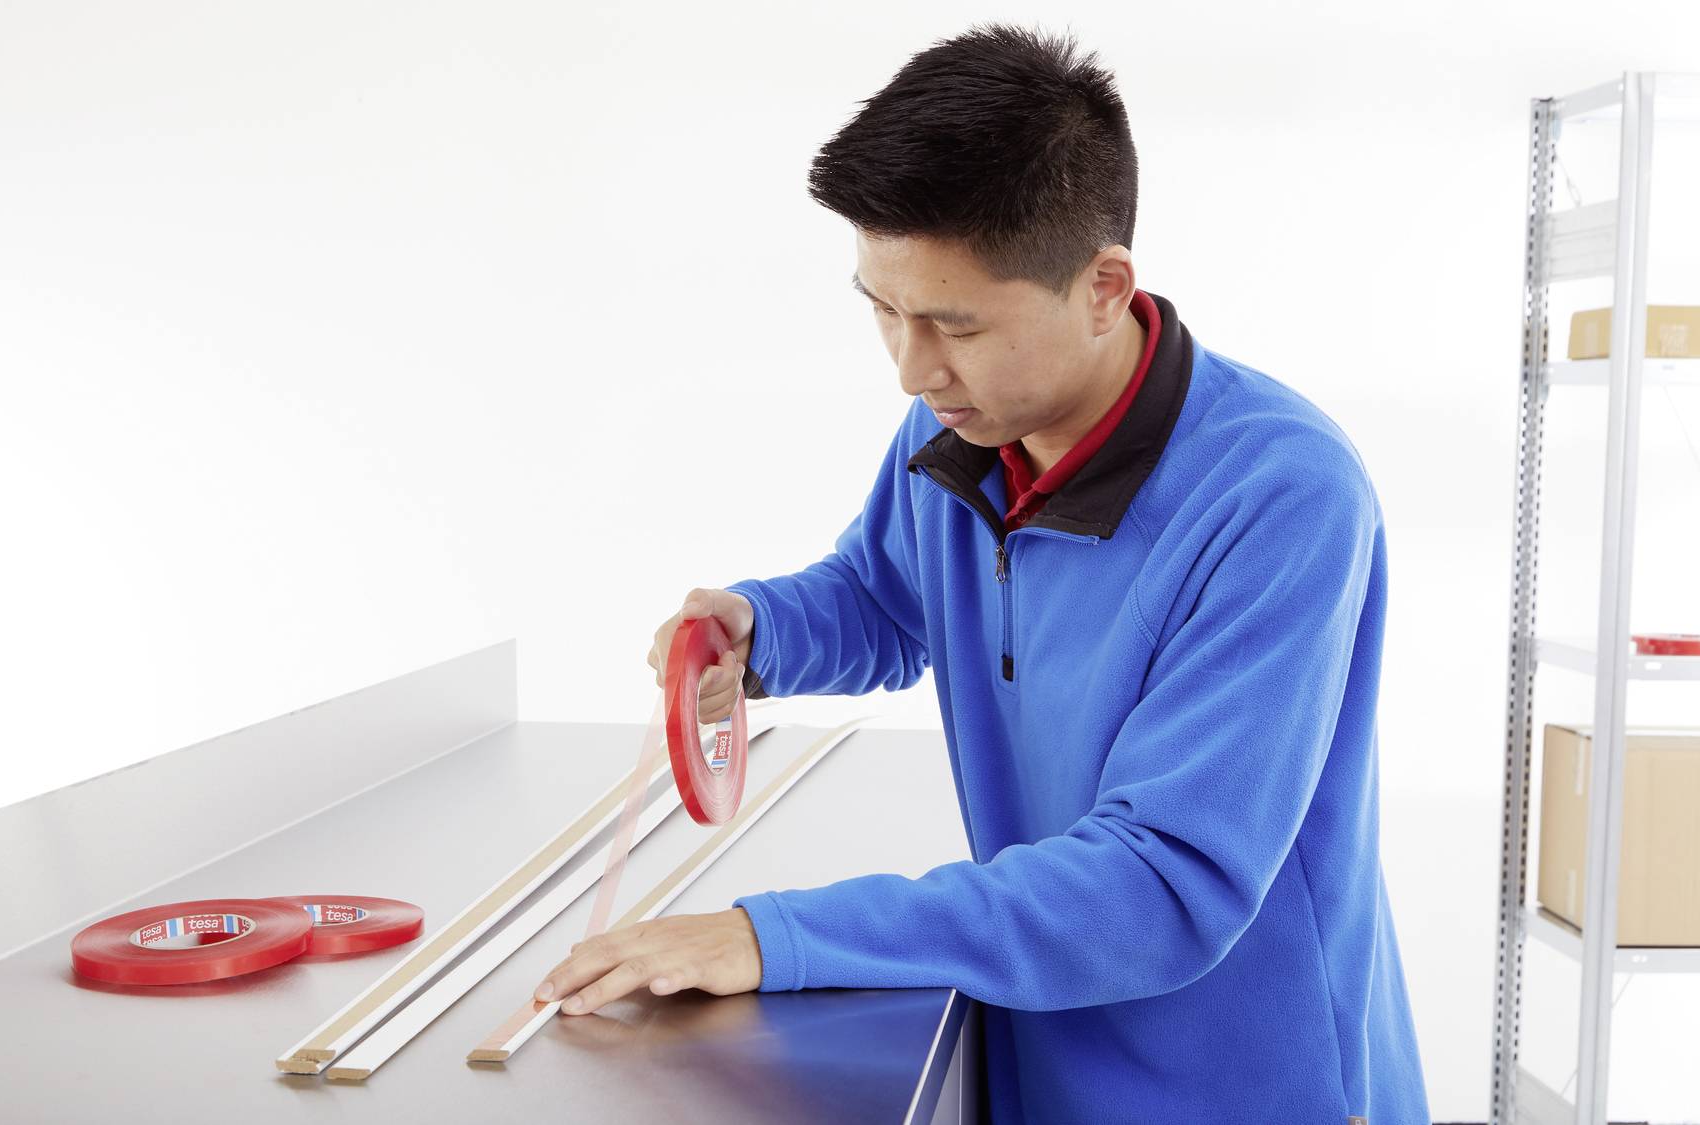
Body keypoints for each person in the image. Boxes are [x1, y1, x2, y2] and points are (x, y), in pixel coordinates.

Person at [532, 21, 1430, 1124]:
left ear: (1103, 288)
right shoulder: (961, 426)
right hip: (1041, 1040)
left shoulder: (1279, 496)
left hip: (1244, 1084)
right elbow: (881, 595)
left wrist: (778, 936)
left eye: (952, 324)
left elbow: (1163, 885)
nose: (911, 368)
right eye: (881, 311)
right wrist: (758, 630)